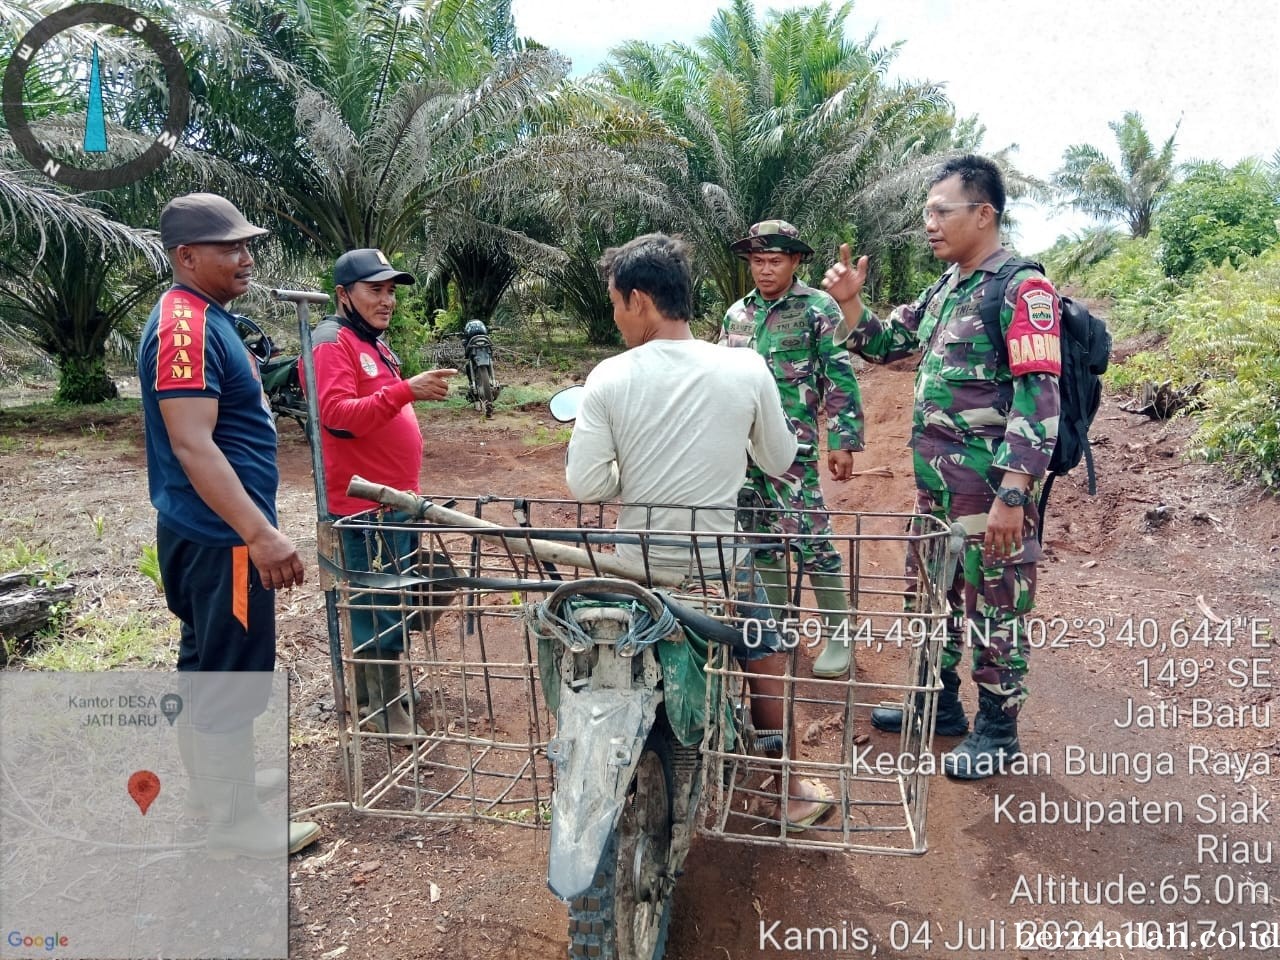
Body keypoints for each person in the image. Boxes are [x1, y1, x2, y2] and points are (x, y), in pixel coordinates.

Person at [566, 232, 832, 830]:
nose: (614, 317)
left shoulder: (608, 377)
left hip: (635, 567)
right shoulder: (746, 366)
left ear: (639, 300)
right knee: (764, 645)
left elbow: (585, 485)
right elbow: (775, 459)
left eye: (614, 303)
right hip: (718, 567)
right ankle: (787, 783)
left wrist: (633, 474)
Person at [821, 155, 1061, 780]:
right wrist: (850, 305)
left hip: (990, 493)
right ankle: (940, 705)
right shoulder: (948, 287)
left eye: (940, 211)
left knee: (995, 608)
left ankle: (998, 729)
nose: (928, 224)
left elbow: (1039, 394)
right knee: (930, 600)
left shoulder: (1021, 287)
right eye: (926, 212)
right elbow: (886, 344)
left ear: (984, 215)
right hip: (937, 494)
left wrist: (1014, 492)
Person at [138, 192, 319, 855]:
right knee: (233, 675)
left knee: (206, 662)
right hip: (222, 540)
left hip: (207, 531)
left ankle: (219, 786)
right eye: (229, 248)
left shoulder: (203, 317)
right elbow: (193, 443)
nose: (245, 258)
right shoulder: (184, 328)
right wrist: (259, 533)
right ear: (187, 257)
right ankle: (236, 823)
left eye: (248, 246)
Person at [310, 248, 455, 742]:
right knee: (379, 600)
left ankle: (376, 693)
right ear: (344, 295)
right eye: (375, 290)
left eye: (391, 290)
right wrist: (406, 391)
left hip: (393, 501)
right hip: (364, 505)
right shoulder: (333, 342)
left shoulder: (371, 343)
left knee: (394, 593)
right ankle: (383, 708)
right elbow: (338, 414)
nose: (387, 300)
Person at [720, 220, 865, 678]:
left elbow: (838, 376)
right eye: (758, 262)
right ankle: (781, 626)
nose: (765, 270)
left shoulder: (817, 308)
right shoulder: (736, 315)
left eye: (775, 261)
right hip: (745, 450)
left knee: (811, 539)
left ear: (796, 261)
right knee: (760, 537)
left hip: (794, 449)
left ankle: (840, 636)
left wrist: (843, 440)